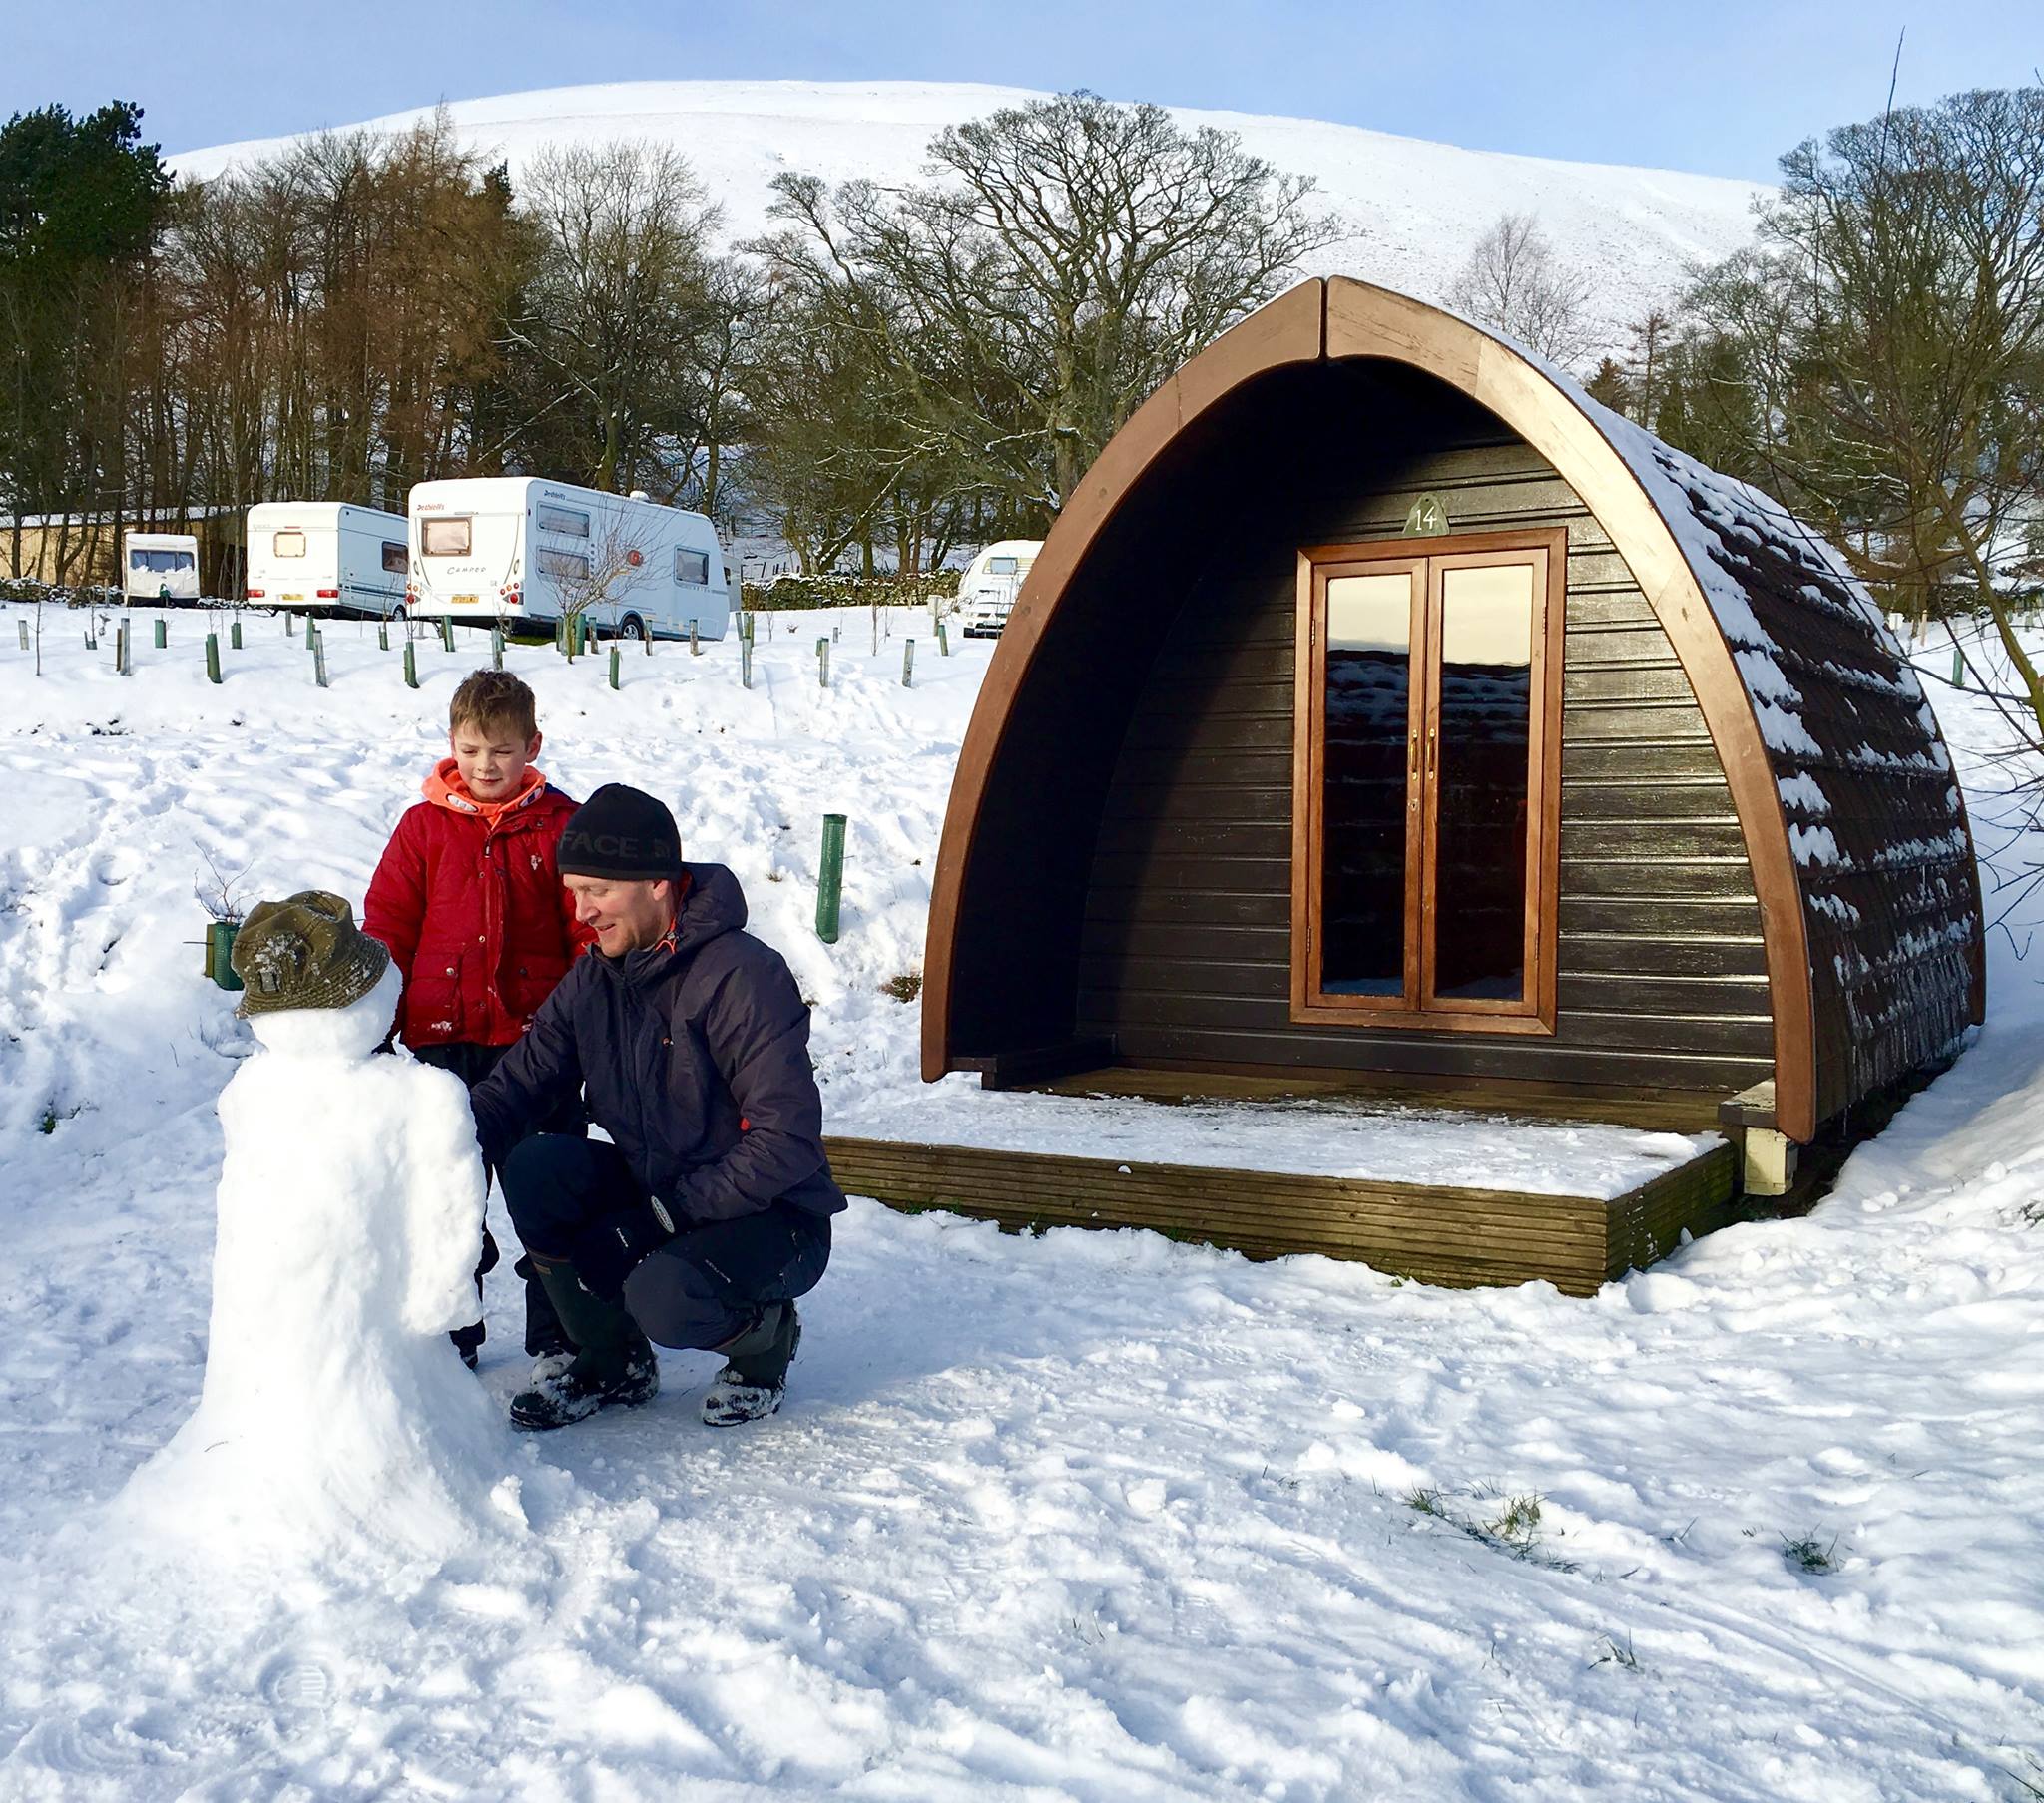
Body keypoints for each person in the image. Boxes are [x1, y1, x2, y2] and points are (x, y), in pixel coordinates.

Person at [468, 783, 843, 1432]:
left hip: (773, 1215)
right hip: (660, 1189)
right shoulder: (595, 979)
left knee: (664, 1298)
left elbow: (786, 1142)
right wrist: (428, 1143)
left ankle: (766, 1342)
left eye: (597, 890)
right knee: (536, 1166)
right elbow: (516, 1086)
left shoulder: (742, 976)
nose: (582, 911)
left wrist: (661, 1217)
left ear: (657, 884)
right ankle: (614, 1362)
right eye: (575, 891)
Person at [363, 669, 592, 1370]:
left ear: (532, 747)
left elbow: (586, 930)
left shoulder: (561, 825)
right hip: (445, 1048)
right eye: (469, 750)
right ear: (451, 743)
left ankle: (561, 1338)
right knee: (450, 1193)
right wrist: (376, 1023)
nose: (484, 766)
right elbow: (390, 927)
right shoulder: (423, 828)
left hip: (539, 1050)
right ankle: (452, 1334)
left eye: (501, 751)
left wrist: (584, 1028)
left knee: (549, 1194)